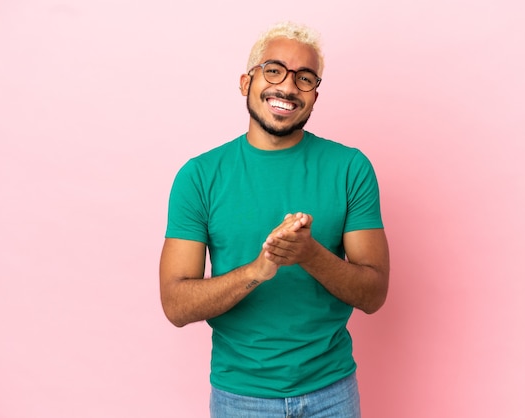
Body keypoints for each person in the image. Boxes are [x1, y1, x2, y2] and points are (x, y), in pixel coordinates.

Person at [159, 21, 390, 418]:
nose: (287, 87)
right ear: (246, 81)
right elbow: (176, 305)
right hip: (240, 397)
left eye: (304, 78)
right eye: (274, 70)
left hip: (331, 391)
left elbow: (374, 294)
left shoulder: (351, 168)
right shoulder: (199, 176)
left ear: (315, 95)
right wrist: (259, 270)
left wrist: (309, 253)